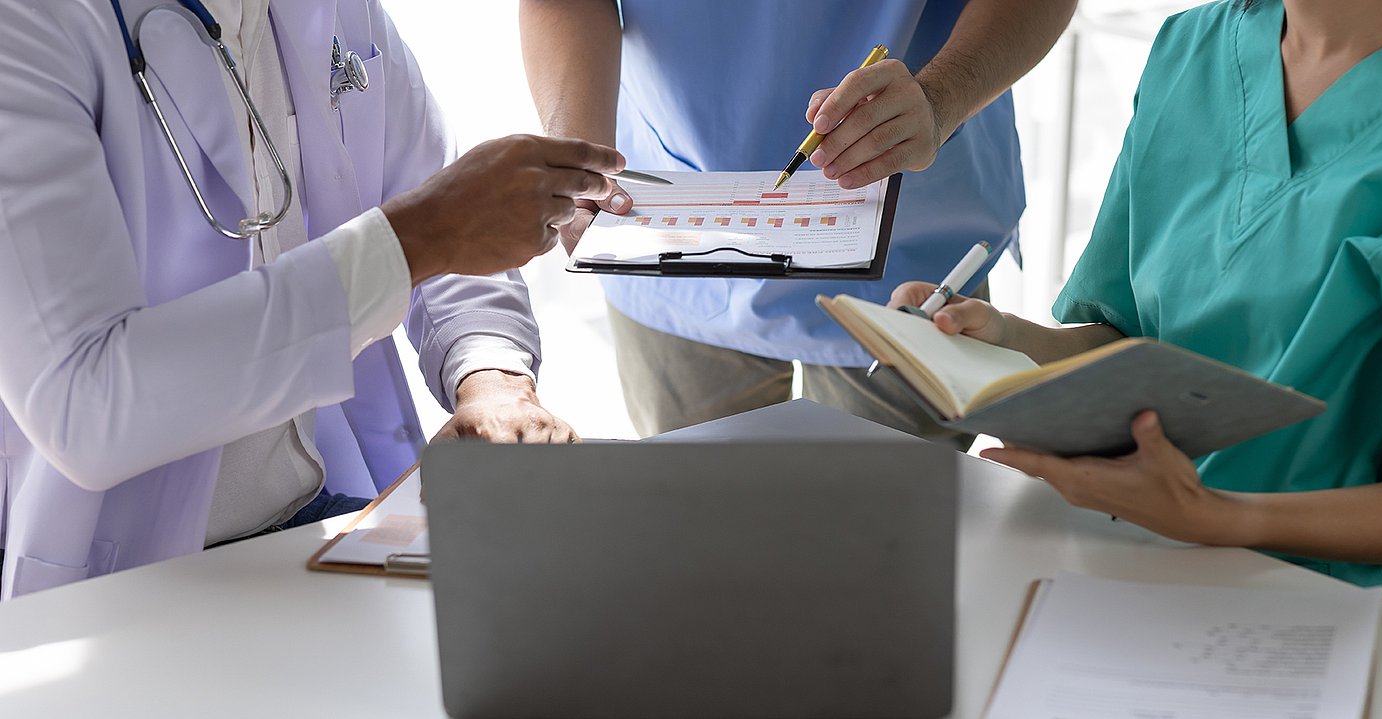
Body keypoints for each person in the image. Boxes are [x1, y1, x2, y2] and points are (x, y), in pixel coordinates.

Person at [0, 0, 624, 599]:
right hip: (114, 569)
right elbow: (84, 402)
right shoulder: (26, 28)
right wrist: (418, 239)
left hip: (310, 517)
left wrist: (493, 376)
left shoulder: (332, 11)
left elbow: (452, 207)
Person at [892, 0, 1382, 600]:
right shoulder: (1195, 48)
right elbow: (1138, 344)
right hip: (1140, 556)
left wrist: (1219, 516)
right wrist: (1009, 343)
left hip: (1359, 605)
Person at [519, 0, 1076, 444]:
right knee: (699, 533)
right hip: (665, 221)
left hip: (907, 238)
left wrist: (939, 98)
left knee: (883, 544)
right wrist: (576, 153)